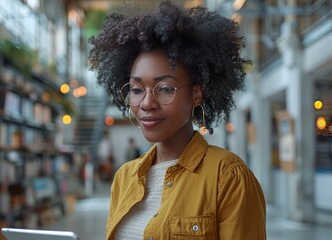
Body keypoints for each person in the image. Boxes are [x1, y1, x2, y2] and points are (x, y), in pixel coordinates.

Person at [88, 1, 266, 239]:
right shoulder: (124, 177)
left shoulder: (228, 177)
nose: (146, 103)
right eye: (137, 89)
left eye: (165, 89)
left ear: (196, 94)